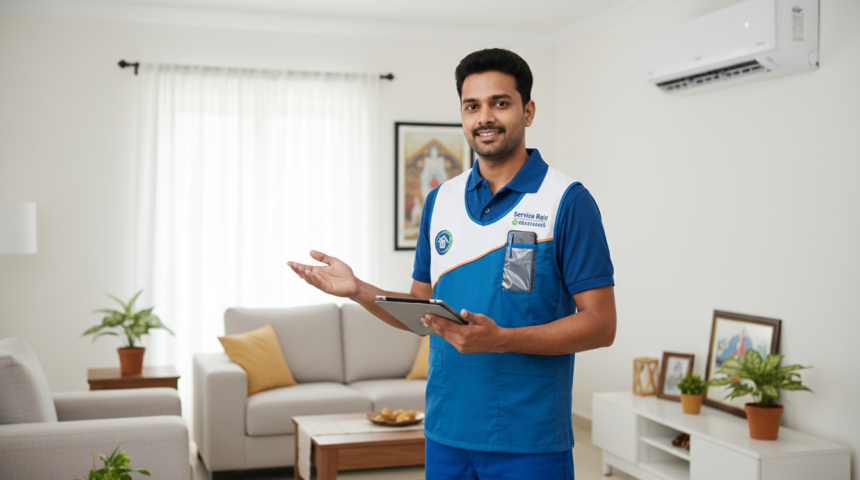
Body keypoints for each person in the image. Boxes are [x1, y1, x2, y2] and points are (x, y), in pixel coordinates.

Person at [288, 48, 616, 480]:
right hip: (446, 432)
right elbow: (419, 313)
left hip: (528, 438)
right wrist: (357, 290)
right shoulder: (440, 201)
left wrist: (502, 339)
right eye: (472, 105)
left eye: (501, 103)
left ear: (528, 111)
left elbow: (601, 325)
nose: (485, 117)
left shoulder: (567, 201)